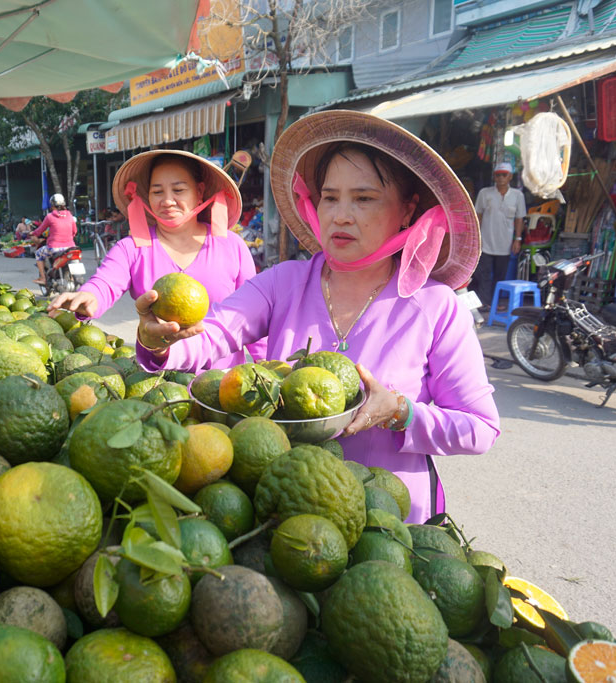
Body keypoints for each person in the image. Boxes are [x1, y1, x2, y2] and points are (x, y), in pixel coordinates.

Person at [132, 111, 499, 523]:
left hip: (389, 524)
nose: (341, 215)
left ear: (407, 210)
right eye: (329, 197)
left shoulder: (436, 307)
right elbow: (213, 332)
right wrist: (158, 341)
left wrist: (400, 412)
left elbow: (480, 428)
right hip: (285, 512)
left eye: (364, 198)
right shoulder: (284, 283)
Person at [48, 150, 266, 369]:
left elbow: (254, 315)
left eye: (178, 190)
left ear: (199, 192)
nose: (168, 201)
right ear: (147, 198)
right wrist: (89, 296)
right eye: (157, 192)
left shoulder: (232, 246)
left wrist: (270, 365)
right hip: (158, 384)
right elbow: (104, 283)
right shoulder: (131, 248)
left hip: (224, 387)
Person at [473, 162, 526, 312]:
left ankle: (495, 302)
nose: (501, 178)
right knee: (483, 274)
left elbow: (519, 219)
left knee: (500, 276)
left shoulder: (518, 195)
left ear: (510, 177)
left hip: (505, 242)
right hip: (486, 241)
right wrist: (476, 237)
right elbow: (478, 215)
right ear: (494, 177)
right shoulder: (485, 193)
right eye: (498, 175)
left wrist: (518, 239)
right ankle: (485, 302)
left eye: (504, 175)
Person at [31, 193, 77, 284]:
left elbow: (40, 230)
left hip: (54, 247)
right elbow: (74, 231)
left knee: (38, 254)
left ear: (52, 206)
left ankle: (43, 278)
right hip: (71, 247)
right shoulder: (70, 216)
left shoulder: (50, 216)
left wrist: (33, 233)